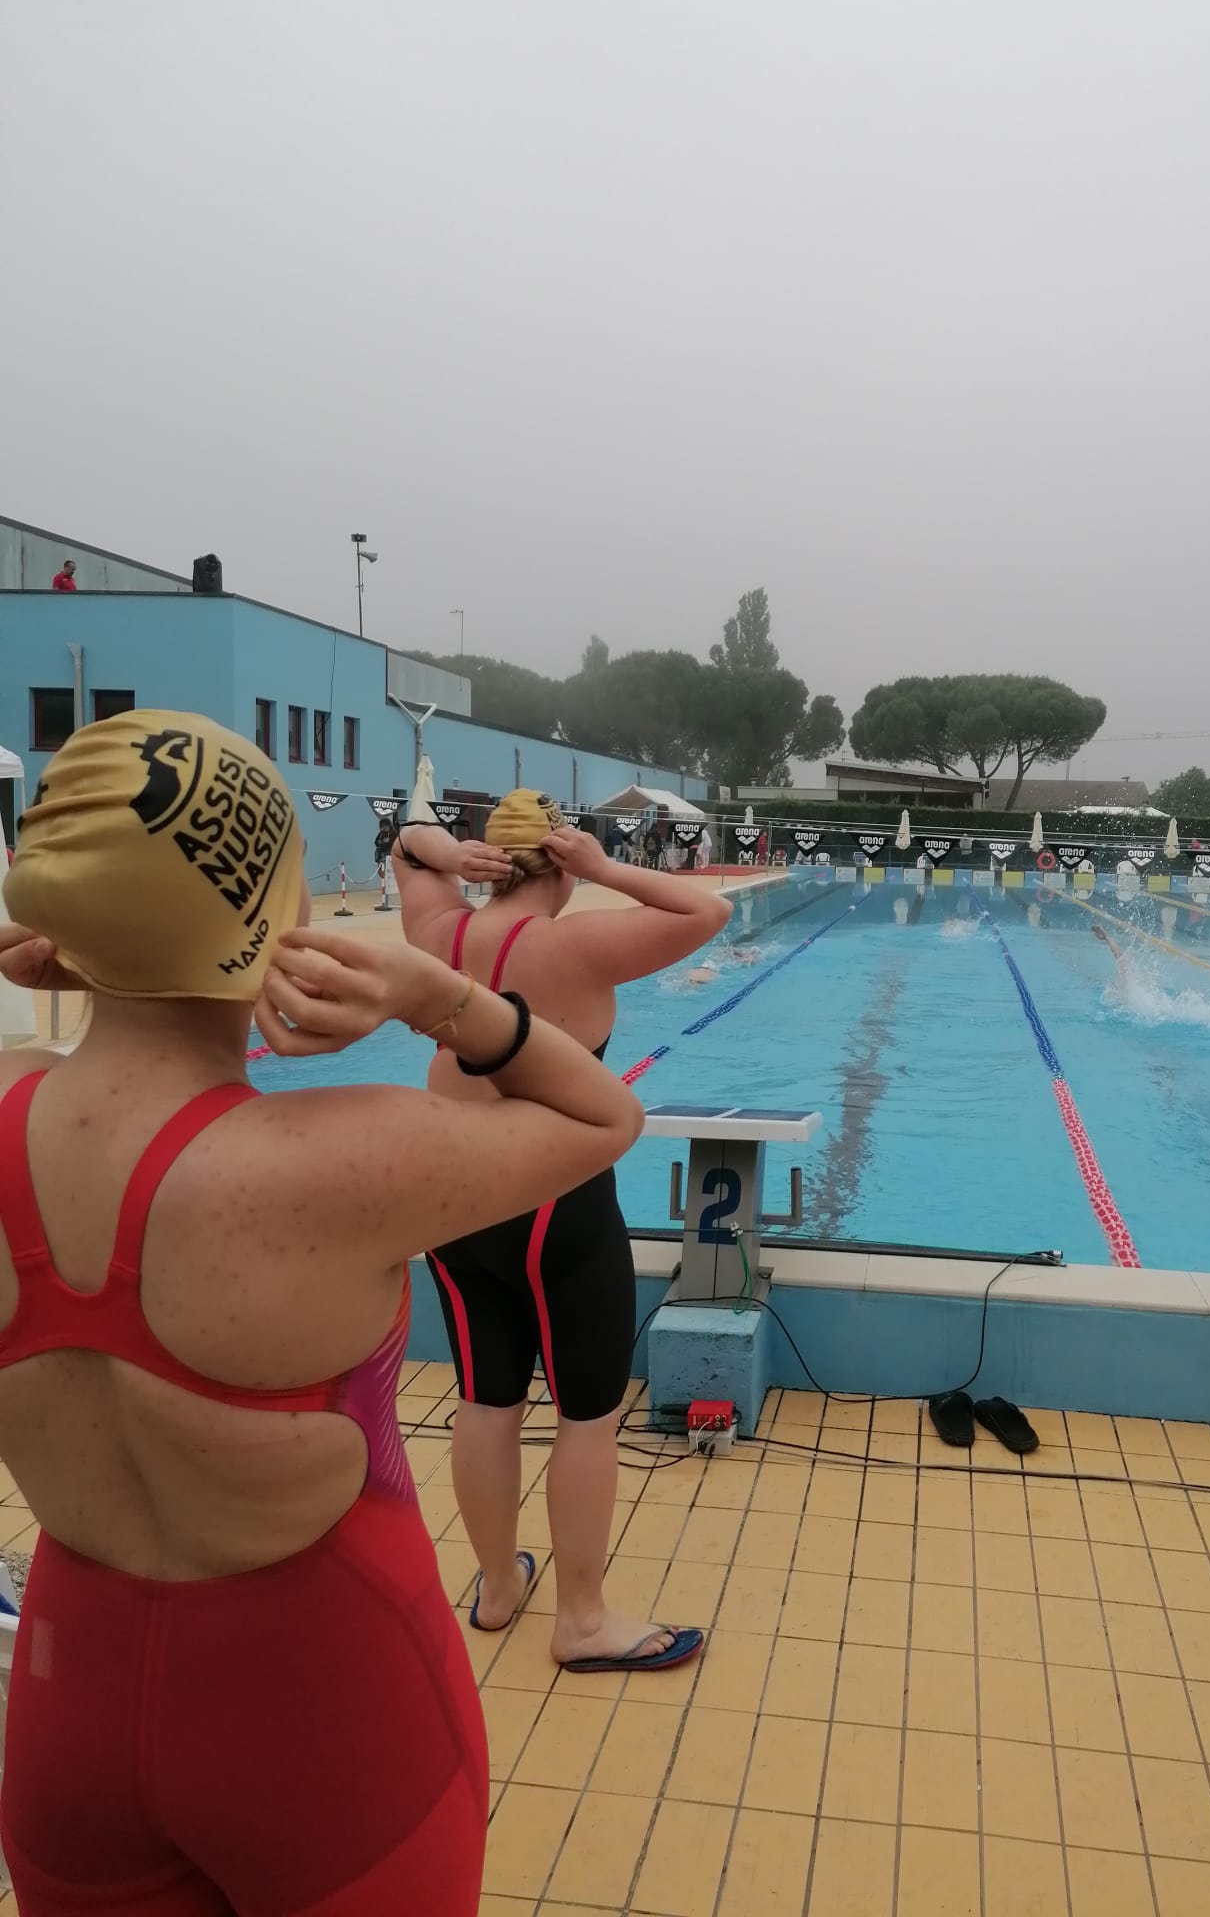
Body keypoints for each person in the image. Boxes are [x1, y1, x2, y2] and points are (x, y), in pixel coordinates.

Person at [0, 712, 643, 1915]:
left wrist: (98, 955)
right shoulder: (337, 1162)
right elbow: (604, 1117)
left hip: (69, 1707)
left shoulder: (7, 1111)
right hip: (326, 1721)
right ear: (275, 914)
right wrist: (442, 998)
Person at [392, 793, 731, 1669]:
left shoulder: (439, 936)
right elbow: (708, 912)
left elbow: (407, 849)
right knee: (586, 1416)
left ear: (491, 862)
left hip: (453, 1204)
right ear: (563, 861)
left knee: (485, 1399)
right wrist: (607, 867)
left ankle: (497, 1585)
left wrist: (446, 851)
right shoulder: (577, 945)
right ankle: (581, 1622)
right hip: (556, 1204)